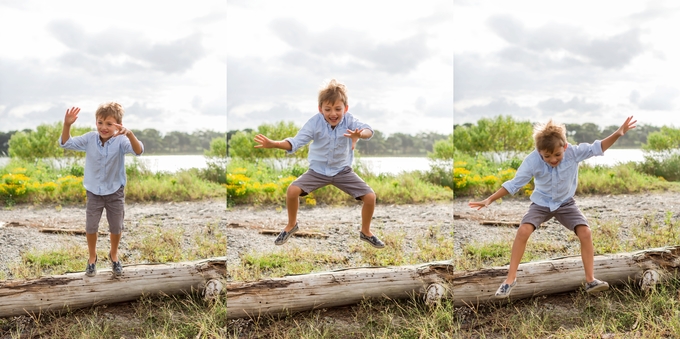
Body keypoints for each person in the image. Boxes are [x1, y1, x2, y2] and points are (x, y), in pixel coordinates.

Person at [469, 116, 637, 298]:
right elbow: (514, 183)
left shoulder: (573, 152)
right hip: (541, 203)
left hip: (566, 203)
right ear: (539, 151)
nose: (553, 159)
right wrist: (490, 199)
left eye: (557, 155)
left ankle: (590, 280)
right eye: (547, 156)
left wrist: (618, 133)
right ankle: (510, 279)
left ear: (564, 147)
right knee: (523, 230)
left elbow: (598, 147)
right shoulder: (533, 160)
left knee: (586, 232)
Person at [253, 79, 384, 248]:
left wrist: (360, 134)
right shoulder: (314, 122)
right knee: (292, 191)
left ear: (345, 108)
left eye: (338, 109)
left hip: (342, 171)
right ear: (320, 109)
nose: (333, 113)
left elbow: (368, 130)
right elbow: (296, 142)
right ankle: (291, 225)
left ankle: (366, 232)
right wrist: (275, 144)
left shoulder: (349, 120)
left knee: (370, 197)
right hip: (318, 171)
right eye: (327, 109)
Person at [59, 102, 144, 277]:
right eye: (100, 122)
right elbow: (66, 143)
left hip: (115, 191)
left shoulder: (121, 140)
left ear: (118, 125)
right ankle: (92, 258)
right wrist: (67, 124)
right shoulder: (90, 138)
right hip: (93, 191)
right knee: (91, 226)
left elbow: (138, 151)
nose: (103, 127)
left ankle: (114, 255)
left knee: (116, 226)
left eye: (109, 124)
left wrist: (130, 134)